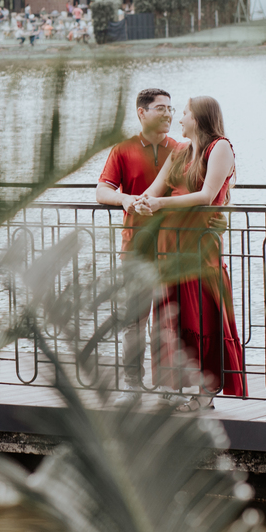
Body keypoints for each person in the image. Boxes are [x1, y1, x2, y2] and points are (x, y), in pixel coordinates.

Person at [135, 96, 247, 411]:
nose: (179, 118)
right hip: (170, 246)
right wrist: (140, 201)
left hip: (199, 246)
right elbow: (154, 190)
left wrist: (161, 204)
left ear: (198, 118)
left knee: (202, 315)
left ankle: (205, 392)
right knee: (174, 317)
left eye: (183, 113)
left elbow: (207, 196)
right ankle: (175, 387)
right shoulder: (179, 152)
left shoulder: (219, 148)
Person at [97, 89, 181, 390]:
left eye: (171, 108)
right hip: (136, 248)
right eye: (161, 108)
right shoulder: (123, 149)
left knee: (170, 320)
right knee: (135, 319)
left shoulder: (180, 149)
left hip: (174, 248)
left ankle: (168, 387)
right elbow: (102, 191)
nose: (168, 114)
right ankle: (132, 384)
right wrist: (124, 199)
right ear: (141, 113)